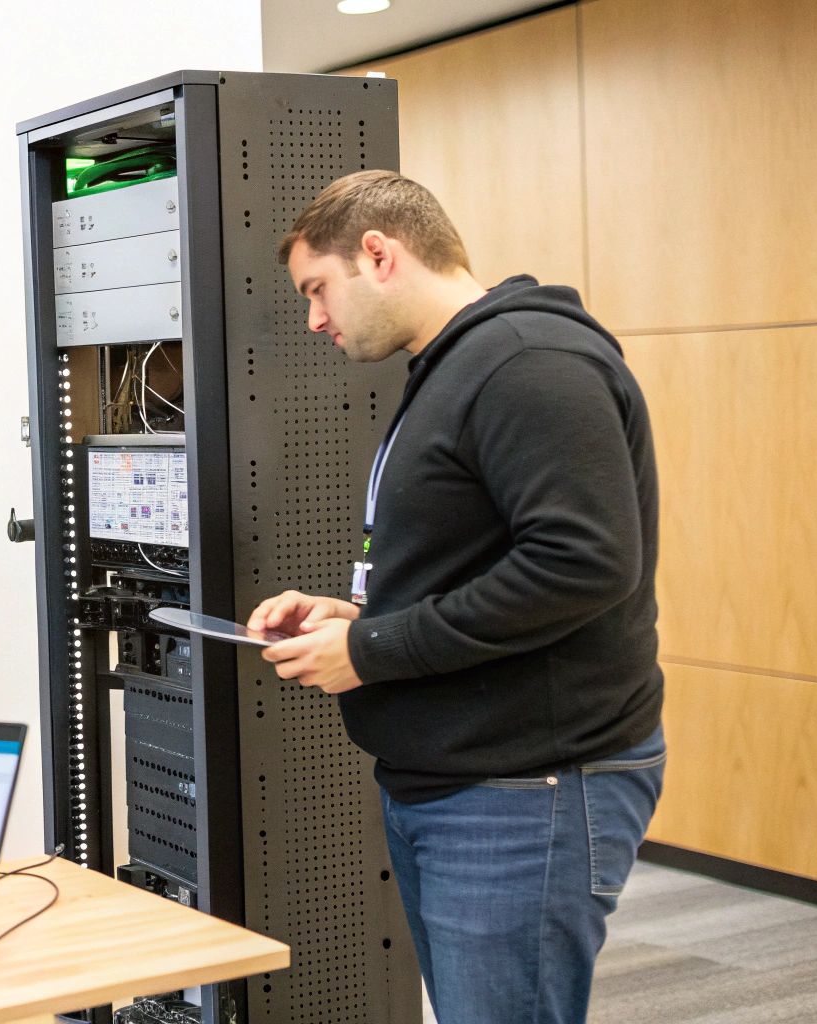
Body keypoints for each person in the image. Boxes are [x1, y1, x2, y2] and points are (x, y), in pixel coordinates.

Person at [247, 171, 665, 1024]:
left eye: (317, 291)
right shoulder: (456, 365)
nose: (315, 320)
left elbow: (581, 564)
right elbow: (482, 561)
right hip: (464, 781)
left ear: (378, 253)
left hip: (527, 786)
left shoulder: (527, 363)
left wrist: (372, 652)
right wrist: (359, 617)